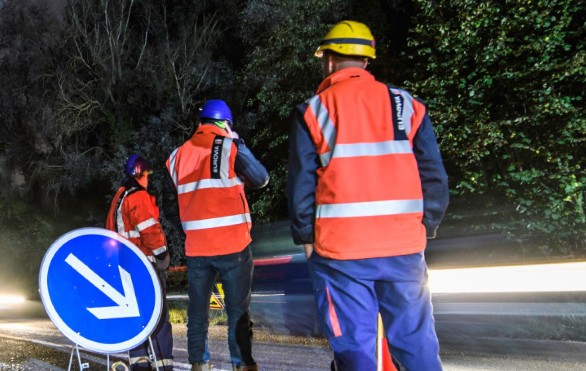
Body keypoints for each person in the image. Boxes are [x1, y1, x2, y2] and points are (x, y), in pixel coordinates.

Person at [287, 20, 449, 371]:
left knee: (355, 350)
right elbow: (434, 177)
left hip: (341, 254)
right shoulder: (408, 107)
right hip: (404, 248)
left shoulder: (313, 112)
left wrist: (305, 237)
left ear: (329, 61)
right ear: (366, 61)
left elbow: (302, 186)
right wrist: (425, 225)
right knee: (417, 344)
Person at [164, 99, 269, 371]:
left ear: (200, 124)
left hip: (198, 249)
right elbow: (261, 178)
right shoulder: (231, 147)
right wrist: (239, 142)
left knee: (197, 314)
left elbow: (168, 205)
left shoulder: (176, 156)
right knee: (237, 312)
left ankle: (199, 365)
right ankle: (242, 365)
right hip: (234, 246)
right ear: (225, 124)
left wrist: (191, 228)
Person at [105, 154, 174, 371]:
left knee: (136, 316)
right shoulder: (138, 197)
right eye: (147, 175)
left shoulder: (118, 198)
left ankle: (139, 362)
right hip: (146, 265)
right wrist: (162, 255)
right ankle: (163, 363)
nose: (148, 180)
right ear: (141, 174)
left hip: (125, 267)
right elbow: (149, 229)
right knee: (159, 316)